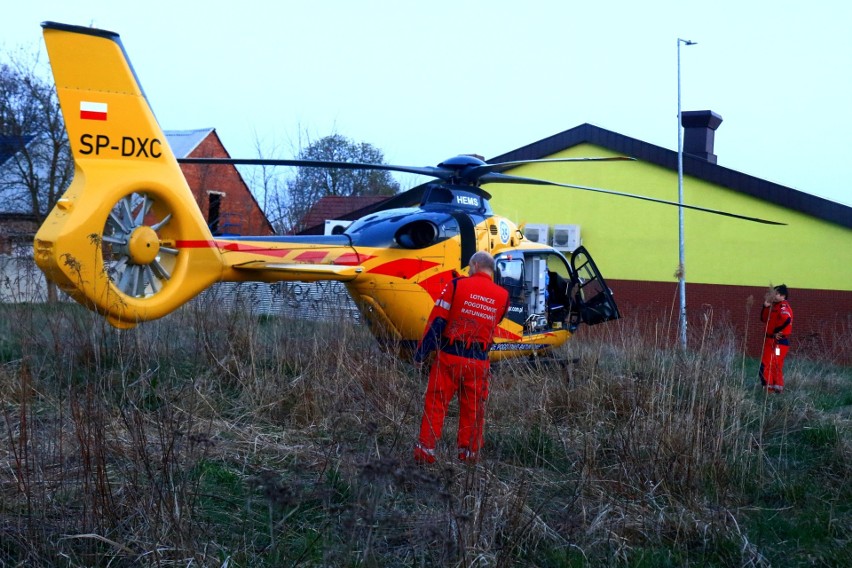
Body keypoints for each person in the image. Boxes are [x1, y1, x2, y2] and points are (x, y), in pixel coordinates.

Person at [412, 251, 510, 464]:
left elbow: (437, 321)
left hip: (450, 356)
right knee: (474, 408)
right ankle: (469, 455)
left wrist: (421, 354)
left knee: (436, 403)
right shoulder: (503, 295)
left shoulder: (456, 285)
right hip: (479, 361)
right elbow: (496, 321)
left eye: (468, 267)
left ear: (474, 265)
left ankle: (425, 452)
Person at [759, 284, 793, 393]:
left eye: (776, 294)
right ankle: (776, 389)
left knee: (770, 364)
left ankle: (769, 389)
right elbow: (764, 319)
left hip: (778, 342)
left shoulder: (783, 307)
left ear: (783, 296)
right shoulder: (774, 306)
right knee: (774, 364)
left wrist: (775, 332)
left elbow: (786, 319)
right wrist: (766, 306)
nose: (774, 295)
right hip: (772, 341)